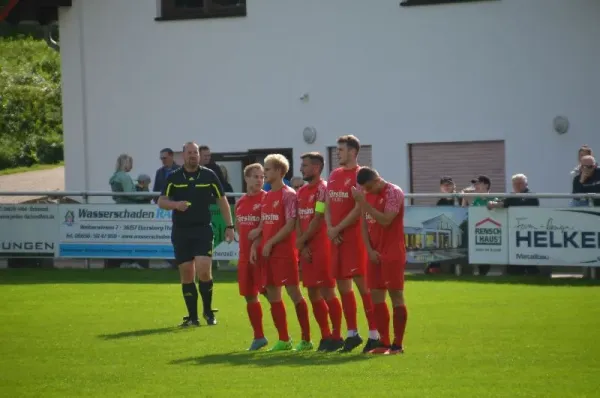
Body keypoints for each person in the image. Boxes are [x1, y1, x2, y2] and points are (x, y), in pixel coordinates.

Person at [158, 142, 235, 327]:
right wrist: (176, 205)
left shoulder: (209, 175)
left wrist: (230, 226)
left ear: (199, 155)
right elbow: (161, 201)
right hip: (181, 231)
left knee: (203, 270)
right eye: (189, 152)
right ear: (183, 155)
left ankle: (208, 312)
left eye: (196, 152)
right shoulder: (173, 177)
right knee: (186, 273)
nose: (193, 155)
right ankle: (192, 317)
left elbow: (222, 199)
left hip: (202, 229)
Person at [248, 154, 312, 352]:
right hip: (268, 254)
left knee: (295, 294)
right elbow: (264, 224)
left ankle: (306, 339)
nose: (264, 173)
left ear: (278, 171)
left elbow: (291, 223)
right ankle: (284, 339)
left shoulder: (289, 194)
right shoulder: (267, 196)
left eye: (267, 169)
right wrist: (255, 245)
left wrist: (272, 242)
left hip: (284, 253)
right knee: (274, 296)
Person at [325, 135, 378, 353]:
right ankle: (352, 333)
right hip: (336, 238)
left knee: (363, 286)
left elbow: (359, 209)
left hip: (354, 238)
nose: (338, 153)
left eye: (341, 150)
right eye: (337, 150)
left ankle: (375, 334)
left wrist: (337, 229)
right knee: (342, 285)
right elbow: (327, 202)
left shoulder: (362, 175)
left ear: (354, 152)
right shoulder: (335, 174)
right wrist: (330, 228)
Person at [352, 167, 407, 355]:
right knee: (376, 297)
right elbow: (364, 225)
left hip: (392, 252)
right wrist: (369, 250)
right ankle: (383, 343)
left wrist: (363, 203)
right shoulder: (366, 195)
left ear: (377, 181)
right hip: (374, 253)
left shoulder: (394, 192)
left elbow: (386, 220)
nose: (366, 192)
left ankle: (397, 345)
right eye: (363, 189)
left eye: (368, 187)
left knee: (396, 296)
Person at [296, 152, 344, 352]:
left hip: (322, 247)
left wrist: (302, 241)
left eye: (305, 165)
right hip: (306, 247)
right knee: (313, 292)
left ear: (316, 168)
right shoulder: (300, 192)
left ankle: (337, 335)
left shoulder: (324, 190)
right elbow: (298, 219)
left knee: (327, 291)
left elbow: (318, 217)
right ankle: (325, 335)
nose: (301, 169)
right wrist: (303, 246)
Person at [235, 163, 268, 350]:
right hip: (244, 257)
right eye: (256, 176)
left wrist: (258, 239)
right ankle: (259, 336)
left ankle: (285, 337)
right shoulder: (240, 202)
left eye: (262, 176)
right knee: (249, 296)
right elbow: (240, 227)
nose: (260, 180)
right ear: (246, 178)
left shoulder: (266, 199)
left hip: (262, 256)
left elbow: (269, 226)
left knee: (271, 294)